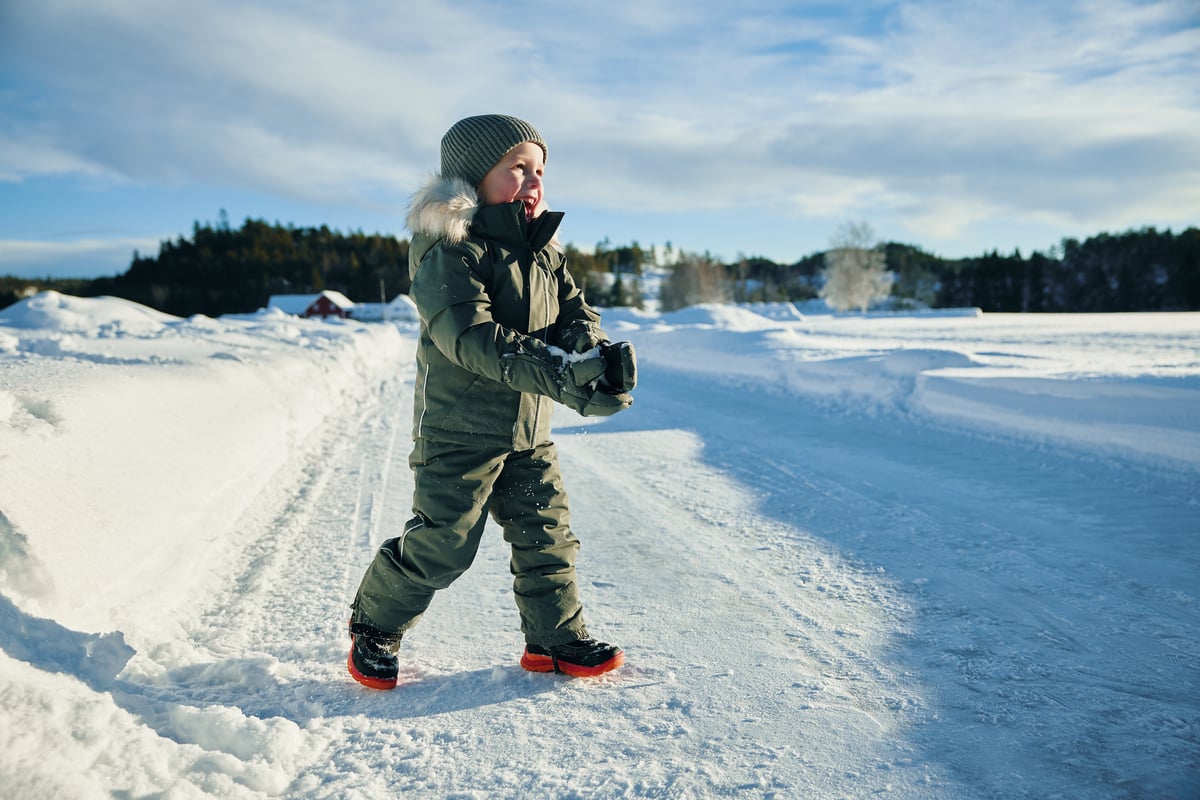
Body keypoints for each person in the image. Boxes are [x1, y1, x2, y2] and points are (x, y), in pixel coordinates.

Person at [347, 114, 637, 690]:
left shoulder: (543, 249)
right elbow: (469, 335)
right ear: (474, 179)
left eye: (539, 170)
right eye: (516, 169)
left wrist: (594, 356)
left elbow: (574, 314)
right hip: (459, 430)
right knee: (443, 544)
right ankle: (374, 624)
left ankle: (555, 638)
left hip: (528, 432)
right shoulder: (447, 246)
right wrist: (558, 374)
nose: (532, 182)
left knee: (547, 535)